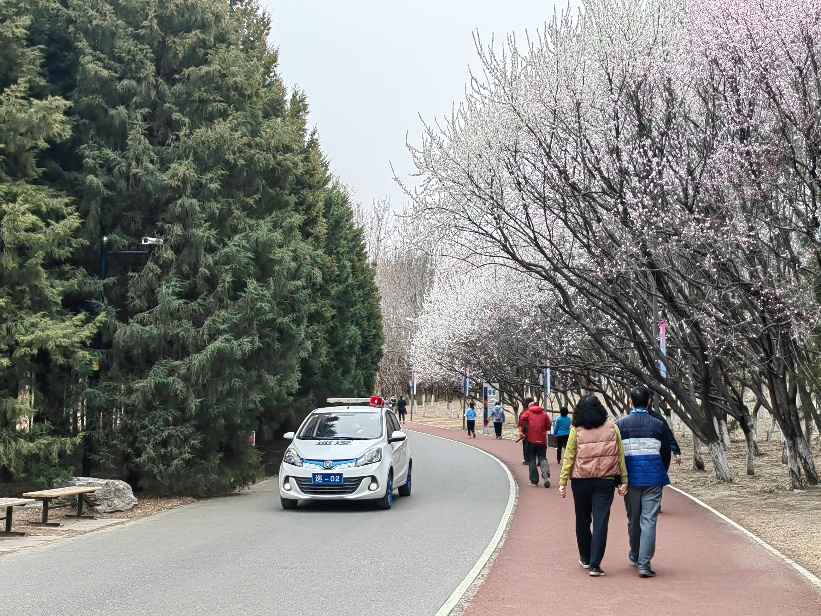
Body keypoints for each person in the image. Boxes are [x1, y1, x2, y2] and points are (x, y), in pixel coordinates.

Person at [558, 395, 628, 577]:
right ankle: (596, 565)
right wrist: (624, 480)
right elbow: (620, 455)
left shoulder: (576, 430)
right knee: (601, 521)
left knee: (582, 519)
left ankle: (585, 558)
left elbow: (569, 457)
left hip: (580, 481)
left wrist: (563, 482)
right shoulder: (613, 428)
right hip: (605, 481)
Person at [617, 385, 671, 578]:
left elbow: (617, 455)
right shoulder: (658, 424)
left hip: (630, 479)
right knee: (649, 520)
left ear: (630, 402)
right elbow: (665, 453)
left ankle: (635, 554)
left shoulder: (620, 425)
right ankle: (644, 564)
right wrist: (661, 470)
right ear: (649, 402)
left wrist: (619, 479)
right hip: (653, 478)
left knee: (633, 519)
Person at [518, 400, 552, 487]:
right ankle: (545, 473)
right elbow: (548, 426)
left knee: (532, 459)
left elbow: (521, 418)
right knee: (542, 458)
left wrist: (520, 429)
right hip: (542, 440)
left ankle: (534, 480)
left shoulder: (528, 413)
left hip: (531, 440)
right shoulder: (544, 415)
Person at [519, 397, 534, 464]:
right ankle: (532, 457)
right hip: (533, 429)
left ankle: (526, 459)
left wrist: (520, 431)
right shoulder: (533, 411)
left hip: (525, 430)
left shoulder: (523, 412)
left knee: (525, 444)